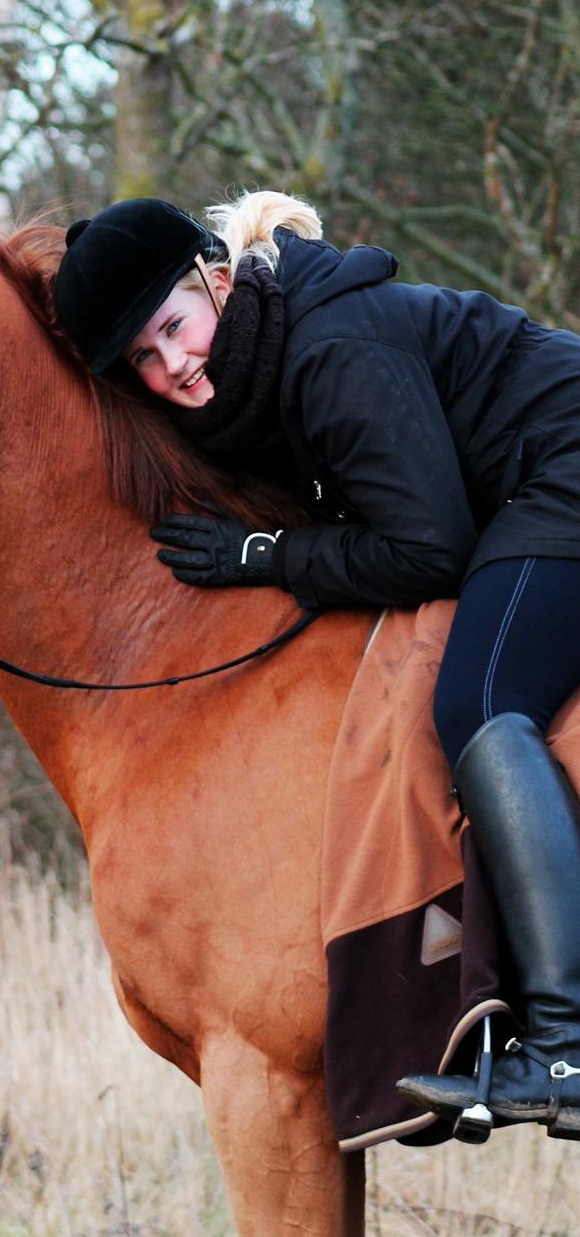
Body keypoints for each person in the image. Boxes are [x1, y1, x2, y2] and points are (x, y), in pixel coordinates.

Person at [54, 192, 580, 1142]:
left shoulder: (326, 347)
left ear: (216, 277)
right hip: (525, 481)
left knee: (481, 704)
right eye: (143, 358)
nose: (172, 365)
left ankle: (564, 1048)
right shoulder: (261, 363)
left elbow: (431, 551)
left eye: (172, 326)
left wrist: (264, 556)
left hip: (564, 466)